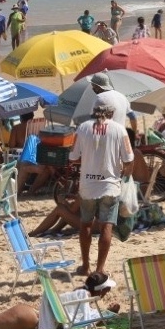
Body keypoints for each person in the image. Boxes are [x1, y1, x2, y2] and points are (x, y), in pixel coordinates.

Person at [69, 102, 134, 277]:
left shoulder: (82, 128)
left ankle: (85, 266)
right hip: (110, 185)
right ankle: (100, 269)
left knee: (86, 225)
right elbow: (128, 160)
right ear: (111, 113)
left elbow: (73, 156)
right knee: (107, 227)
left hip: (88, 186)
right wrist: (125, 175)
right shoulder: (120, 130)